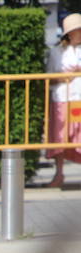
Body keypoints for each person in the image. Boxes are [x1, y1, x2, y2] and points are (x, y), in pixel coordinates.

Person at [46, 13, 81, 188]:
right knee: (60, 137)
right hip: (62, 99)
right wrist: (67, 76)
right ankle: (59, 174)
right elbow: (49, 78)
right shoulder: (56, 52)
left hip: (79, 99)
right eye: (77, 31)